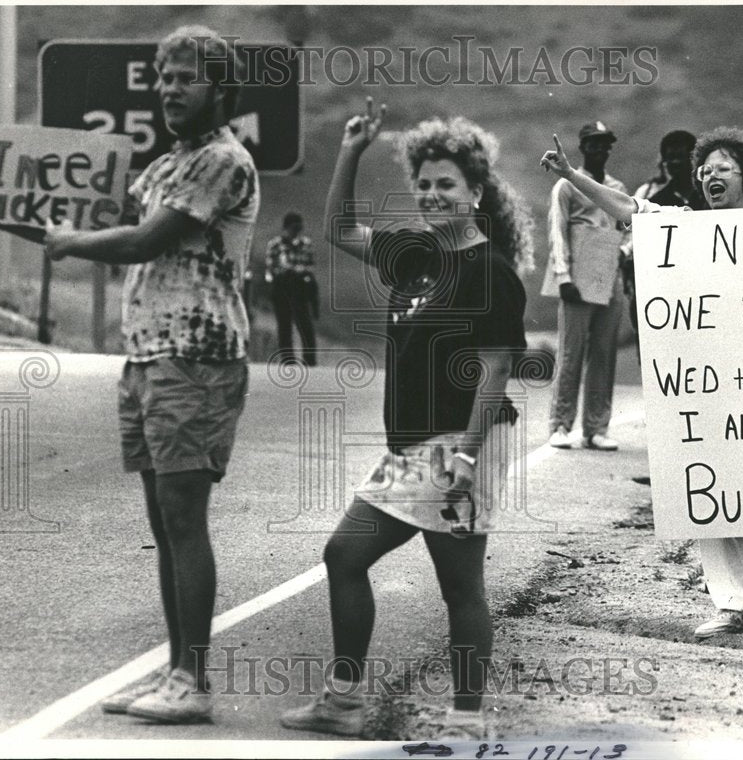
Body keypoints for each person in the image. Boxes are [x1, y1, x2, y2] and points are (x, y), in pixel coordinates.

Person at [0, 26, 258, 723]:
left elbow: (141, 239)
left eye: (184, 78)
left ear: (219, 87)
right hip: (151, 356)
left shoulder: (222, 161)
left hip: (198, 354)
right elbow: (87, 226)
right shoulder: (164, 168)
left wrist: (68, 241)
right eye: (163, 78)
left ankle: (193, 680)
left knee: (185, 519)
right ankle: (176, 671)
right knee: (165, 521)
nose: (168, 90)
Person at [279, 100, 532, 741]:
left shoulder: (491, 273)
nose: (431, 194)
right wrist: (351, 150)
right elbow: (337, 230)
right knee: (345, 557)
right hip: (409, 450)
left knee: (458, 586)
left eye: (446, 184)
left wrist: (468, 460)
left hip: (456, 447)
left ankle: (466, 720)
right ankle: (345, 702)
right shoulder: (415, 255)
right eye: (423, 184)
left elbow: (495, 371)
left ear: (476, 192)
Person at [540, 126, 743, 641]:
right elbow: (624, 208)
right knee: (716, 484)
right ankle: (735, 603)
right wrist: (571, 174)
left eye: (723, 169)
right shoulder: (681, 227)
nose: (711, 176)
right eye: (704, 170)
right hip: (707, 384)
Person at [540, 121, 627, 452]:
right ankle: (560, 424)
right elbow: (557, 230)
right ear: (583, 147)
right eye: (593, 144)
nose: (600, 150)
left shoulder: (617, 186)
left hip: (609, 270)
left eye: (605, 144)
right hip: (579, 271)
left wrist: (624, 249)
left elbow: (627, 225)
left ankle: (596, 427)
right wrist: (563, 276)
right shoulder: (566, 185)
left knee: (604, 352)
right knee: (572, 351)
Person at [626, 130, 706, 344]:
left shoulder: (711, 197)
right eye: (669, 158)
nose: (675, 163)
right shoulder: (657, 201)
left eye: (682, 157)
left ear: (695, 160)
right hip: (668, 295)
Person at [265, 211, 318, 366]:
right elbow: (271, 268)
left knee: (305, 324)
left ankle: (310, 360)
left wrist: (298, 271)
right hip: (282, 288)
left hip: (300, 289)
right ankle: (288, 360)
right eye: (293, 229)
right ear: (286, 228)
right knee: (284, 325)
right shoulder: (275, 245)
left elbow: (311, 266)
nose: (296, 233)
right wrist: (289, 271)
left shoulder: (306, 243)